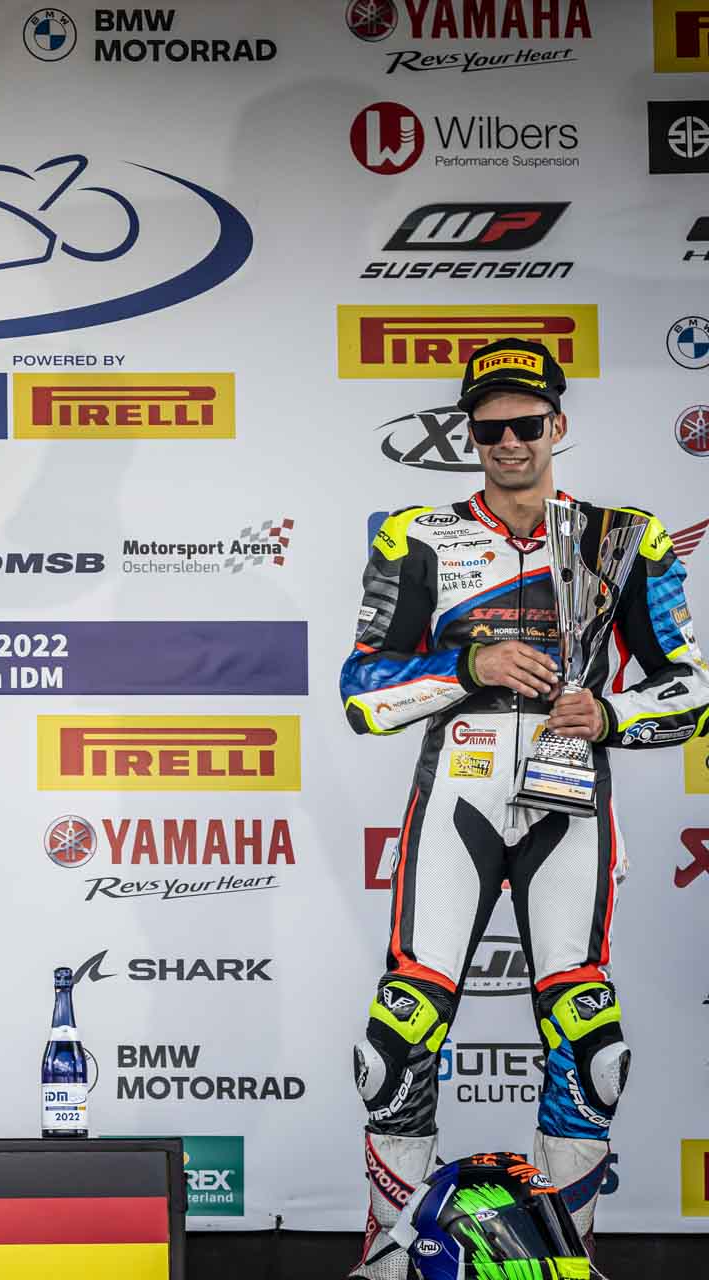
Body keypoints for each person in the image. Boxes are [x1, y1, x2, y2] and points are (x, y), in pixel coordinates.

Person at [339, 338, 709, 1277]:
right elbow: (362, 693)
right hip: (457, 796)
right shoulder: (415, 536)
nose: (509, 442)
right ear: (469, 435)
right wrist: (472, 664)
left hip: (569, 802)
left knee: (591, 1045)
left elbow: (692, 688)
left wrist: (612, 713)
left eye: (527, 424)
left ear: (558, 425)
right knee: (397, 1040)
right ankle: (389, 1256)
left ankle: (568, 1256)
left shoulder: (623, 539)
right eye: (490, 427)